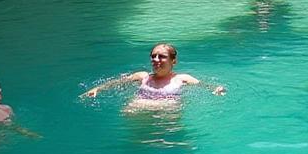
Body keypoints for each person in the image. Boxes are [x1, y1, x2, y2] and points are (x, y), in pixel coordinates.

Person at [79, 43, 227, 105]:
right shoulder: (142, 76)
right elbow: (117, 82)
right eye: (153, 56)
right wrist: (97, 89)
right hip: (140, 115)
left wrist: (216, 89)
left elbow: (205, 86)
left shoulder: (182, 79)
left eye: (161, 56)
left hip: (166, 118)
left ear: (173, 61)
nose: (156, 59)